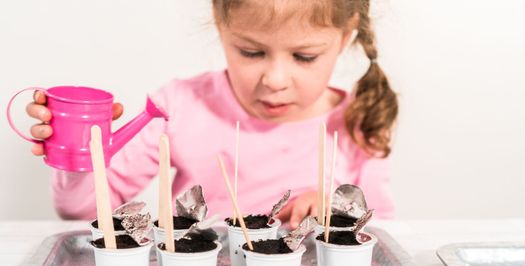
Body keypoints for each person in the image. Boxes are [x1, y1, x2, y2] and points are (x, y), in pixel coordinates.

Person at [25, 0, 398, 228]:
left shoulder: (362, 120)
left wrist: (338, 214)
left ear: (347, 37)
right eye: (251, 52)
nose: (275, 80)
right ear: (222, 29)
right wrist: (77, 151)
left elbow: (381, 235)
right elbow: (82, 211)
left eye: (304, 57)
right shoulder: (178, 106)